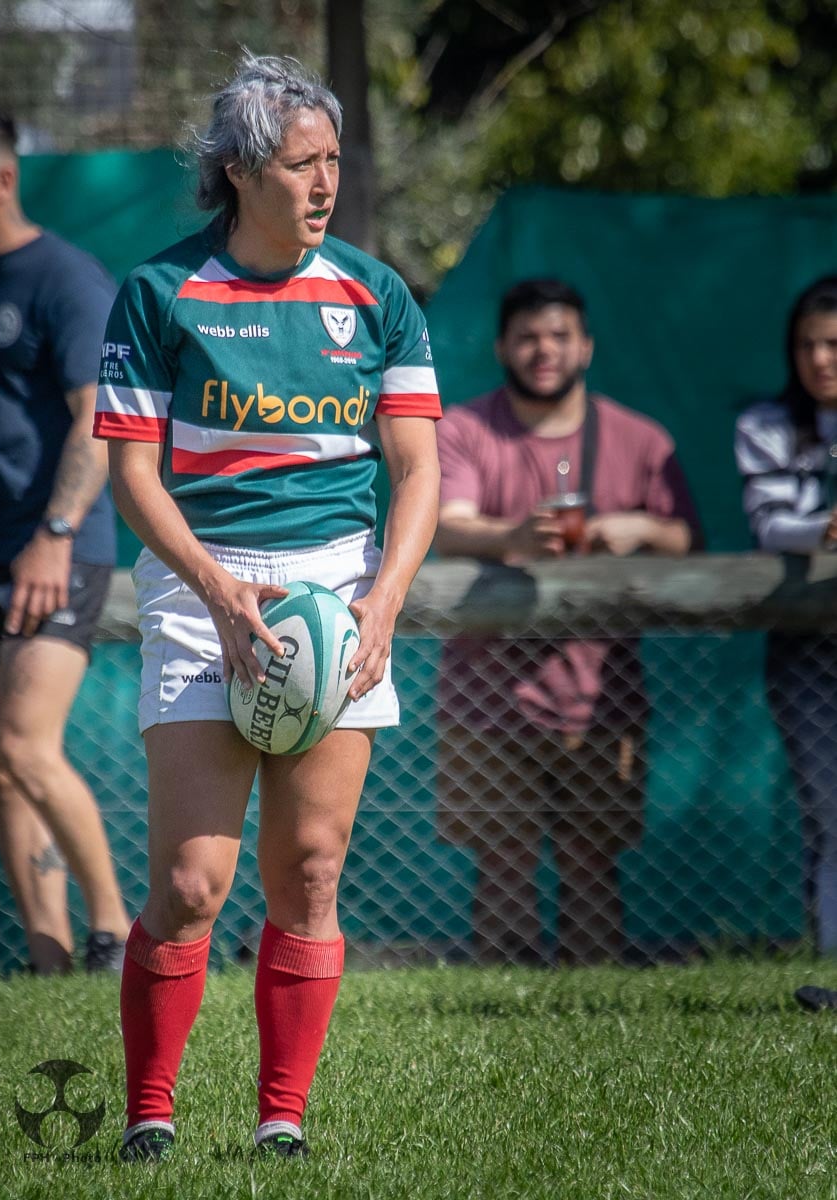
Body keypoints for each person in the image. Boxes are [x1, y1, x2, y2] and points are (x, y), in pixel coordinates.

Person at [94, 53, 441, 1162]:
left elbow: (418, 469)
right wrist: (215, 588)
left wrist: (382, 602)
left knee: (311, 871)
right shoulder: (159, 292)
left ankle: (280, 1122)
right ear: (239, 171)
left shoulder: (376, 295)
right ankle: (150, 1116)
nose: (325, 182)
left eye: (332, 159)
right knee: (192, 884)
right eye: (301, 164)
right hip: (206, 588)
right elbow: (133, 476)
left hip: (339, 590)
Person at [434, 278, 699, 966]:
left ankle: (595, 995)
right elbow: (446, 525)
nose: (543, 350)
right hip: (485, 699)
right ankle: (498, 1002)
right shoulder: (464, 429)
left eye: (558, 335)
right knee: (502, 859)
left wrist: (638, 527)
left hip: (603, 697)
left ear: (586, 346)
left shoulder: (641, 440)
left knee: (591, 859)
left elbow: (683, 539)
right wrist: (513, 535)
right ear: (501, 347)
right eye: (527, 336)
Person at [0, 107, 130, 974]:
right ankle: (49, 959)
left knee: (28, 744)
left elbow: (98, 423)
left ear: (3, 180)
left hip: (54, 549)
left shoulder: (65, 279)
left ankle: (115, 936)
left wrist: (55, 534)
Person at [735, 275, 837, 959]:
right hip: (807, 650)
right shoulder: (765, 426)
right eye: (806, 345)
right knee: (831, 815)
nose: (820, 359)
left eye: (833, 344)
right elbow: (770, 526)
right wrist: (825, 529)